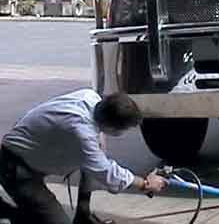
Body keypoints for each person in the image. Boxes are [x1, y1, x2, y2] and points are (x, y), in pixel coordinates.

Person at [0, 89, 166, 224]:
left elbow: (99, 159)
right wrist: (145, 184)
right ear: (112, 126)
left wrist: (99, 145)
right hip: (16, 168)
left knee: (95, 157)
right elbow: (110, 176)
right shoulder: (81, 134)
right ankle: (11, 213)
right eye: (122, 130)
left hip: (31, 151)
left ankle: (82, 215)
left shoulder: (90, 97)